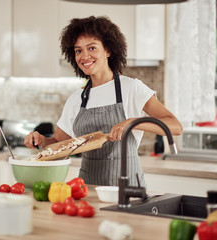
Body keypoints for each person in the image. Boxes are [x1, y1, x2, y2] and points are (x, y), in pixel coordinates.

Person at [24, 16, 182, 187]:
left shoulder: (131, 88)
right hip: (88, 190)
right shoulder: (77, 99)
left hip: (126, 191)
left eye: (92, 48)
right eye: (78, 50)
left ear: (108, 50)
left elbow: (174, 126)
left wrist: (133, 122)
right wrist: (41, 141)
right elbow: (59, 147)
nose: (85, 56)